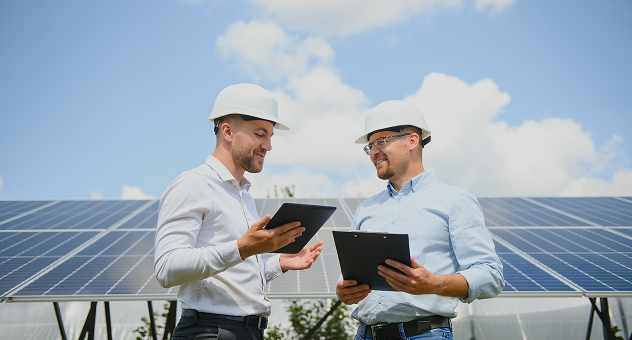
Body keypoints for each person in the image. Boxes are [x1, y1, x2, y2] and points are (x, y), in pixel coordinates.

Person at [154, 83, 324, 340]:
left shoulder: (243, 196)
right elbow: (167, 268)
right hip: (209, 332)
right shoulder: (194, 184)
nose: (268, 146)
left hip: (245, 332)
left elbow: (232, 275)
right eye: (260, 134)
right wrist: (243, 248)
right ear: (228, 131)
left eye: (270, 136)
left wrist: (279, 262)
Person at [336, 100, 504, 340]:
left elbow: (491, 275)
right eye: (370, 146)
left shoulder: (455, 201)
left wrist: (434, 284)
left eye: (381, 142)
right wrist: (344, 289)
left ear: (412, 141)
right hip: (364, 334)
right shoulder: (366, 209)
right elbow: (350, 274)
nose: (373, 152)